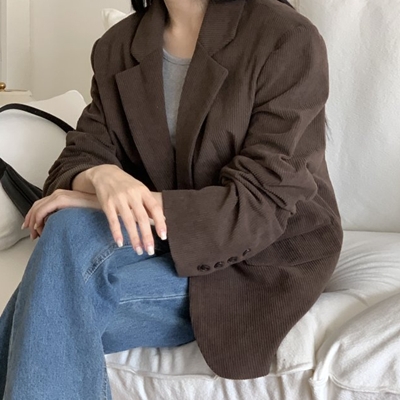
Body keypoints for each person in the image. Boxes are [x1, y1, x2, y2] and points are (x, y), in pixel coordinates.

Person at [0, 0, 344, 398]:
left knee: (50, 298)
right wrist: (101, 175)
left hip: (263, 252)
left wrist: (134, 200)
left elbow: (260, 202)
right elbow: (75, 160)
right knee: (66, 232)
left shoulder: (285, 37)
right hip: (163, 238)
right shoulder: (118, 46)